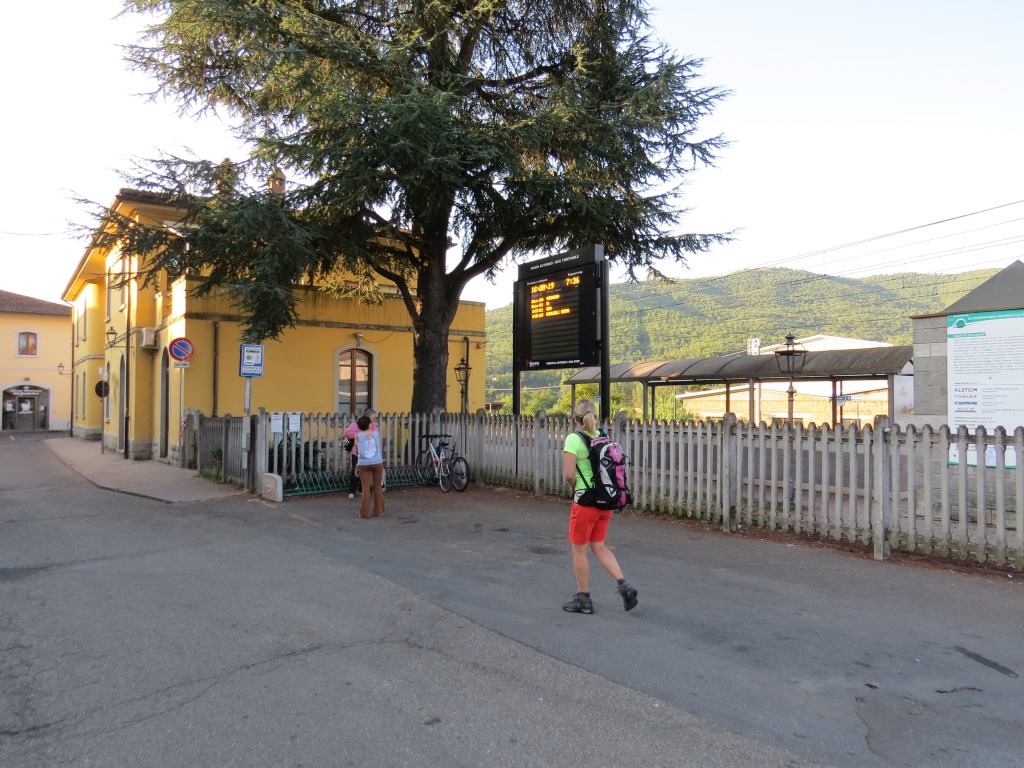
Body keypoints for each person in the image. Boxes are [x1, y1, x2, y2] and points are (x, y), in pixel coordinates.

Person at [561, 398, 638, 614]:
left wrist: (573, 487)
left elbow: (569, 474)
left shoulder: (573, 439)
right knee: (599, 545)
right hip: (606, 501)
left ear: (575, 418)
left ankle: (583, 598)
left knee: (579, 550)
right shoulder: (602, 436)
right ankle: (624, 585)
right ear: (595, 417)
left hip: (585, 503)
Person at [354, 413, 385, 518]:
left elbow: (356, 448)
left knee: (365, 488)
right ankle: (379, 511)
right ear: (369, 424)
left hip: (363, 463)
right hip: (377, 462)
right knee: (377, 487)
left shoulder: (357, 436)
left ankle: (364, 513)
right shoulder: (376, 433)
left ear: (359, 426)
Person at [343, 408, 377, 499]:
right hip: (357, 452)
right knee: (355, 471)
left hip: (368, 453)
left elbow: (375, 435)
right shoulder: (356, 424)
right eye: (373, 417)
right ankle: (352, 491)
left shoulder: (373, 427)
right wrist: (362, 434)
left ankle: (362, 490)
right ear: (367, 416)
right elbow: (347, 433)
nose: (374, 419)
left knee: (366, 471)